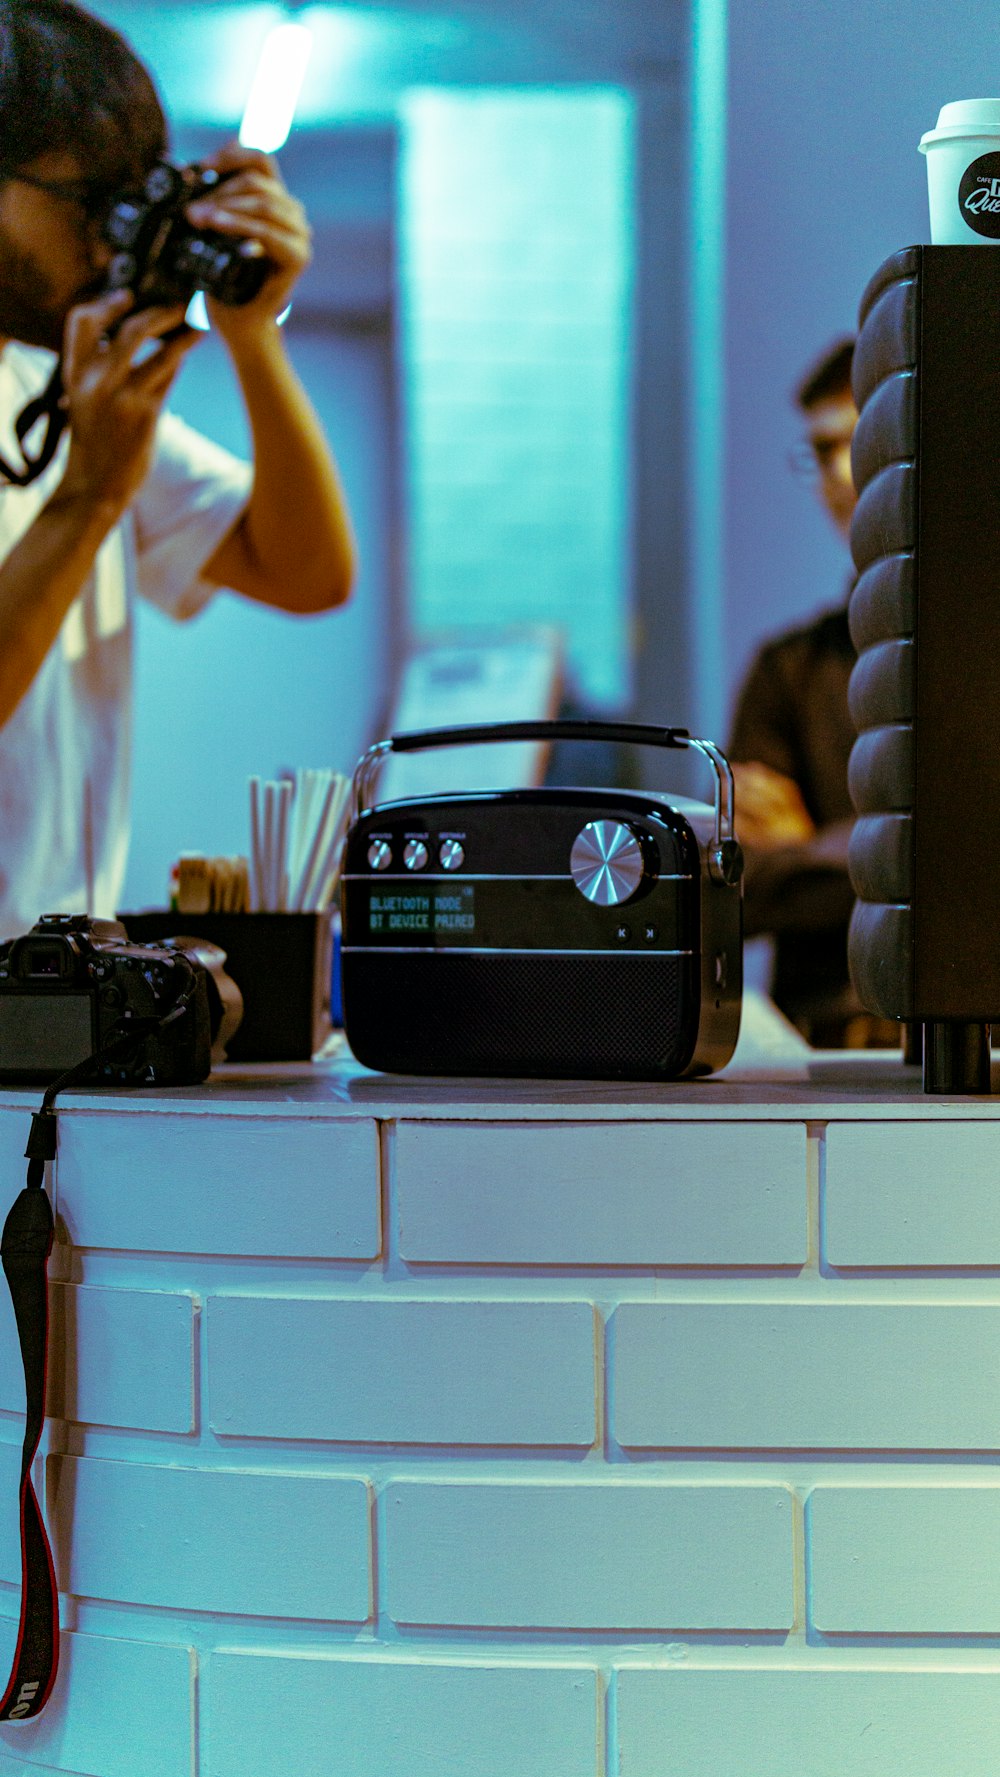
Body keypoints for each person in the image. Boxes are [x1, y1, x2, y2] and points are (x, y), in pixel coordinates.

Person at [0, 0, 356, 941]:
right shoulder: (79, 428)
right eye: (88, 202)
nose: (108, 243)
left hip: (51, 994)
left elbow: (305, 572)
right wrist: (89, 500)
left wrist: (252, 341)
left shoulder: (52, 384)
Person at [728, 336, 894, 1046]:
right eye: (820, 452)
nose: (835, 474)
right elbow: (739, 884)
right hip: (824, 1047)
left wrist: (819, 845)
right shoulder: (787, 668)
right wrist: (890, 849)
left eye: (850, 445)